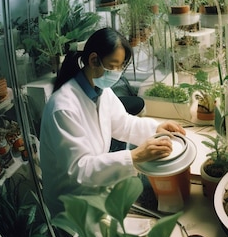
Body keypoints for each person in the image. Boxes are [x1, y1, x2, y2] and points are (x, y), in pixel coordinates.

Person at [40, 27, 185, 217]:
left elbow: (122, 123)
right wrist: (133, 156)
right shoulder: (64, 108)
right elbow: (79, 170)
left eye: (121, 66)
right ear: (93, 60)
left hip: (95, 192)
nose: (117, 72)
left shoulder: (100, 90)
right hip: (71, 205)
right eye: (113, 65)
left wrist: (155, 128)